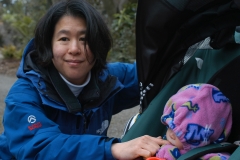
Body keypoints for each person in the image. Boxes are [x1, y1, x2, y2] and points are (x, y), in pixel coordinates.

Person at [0, 0, 169, 159]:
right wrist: (112, 149)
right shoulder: (23, 95)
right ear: (48, 46)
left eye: (84, 39)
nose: (74, 49)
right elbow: (40, 148)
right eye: (64, 39)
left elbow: (157, 70)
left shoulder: (109, 78)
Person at [156, 84, 232, 159]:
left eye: (178, 132)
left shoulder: (214, 157)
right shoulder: (164, 147)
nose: (171, 134)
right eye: (170, 126)